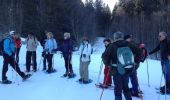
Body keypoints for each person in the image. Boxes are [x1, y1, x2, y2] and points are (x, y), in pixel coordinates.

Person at [102, 31, 141, 100]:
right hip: (127, 69)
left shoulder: (112, 45)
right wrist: (136, 62)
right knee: (125, 86)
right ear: (122, 37)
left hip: (116, 70)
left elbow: (104, 56)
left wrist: (108, 64)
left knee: (118, 88)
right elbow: (139, 51)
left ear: (115, 37)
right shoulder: (129, 44)